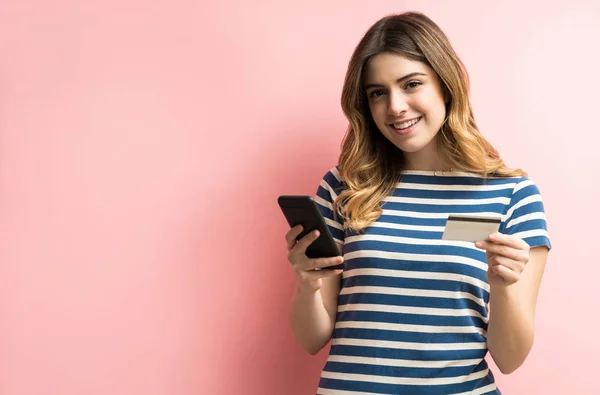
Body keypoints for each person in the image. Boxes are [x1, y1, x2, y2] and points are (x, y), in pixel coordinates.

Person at [284, 11, 552, 395]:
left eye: (411, 84)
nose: (395, 107)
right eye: (378, 92)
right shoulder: (344, 188)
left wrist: (504, 287)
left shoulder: (512, 196)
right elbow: (311, 339)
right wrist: (306, 284)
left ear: (446, 85)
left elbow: (509, 359)